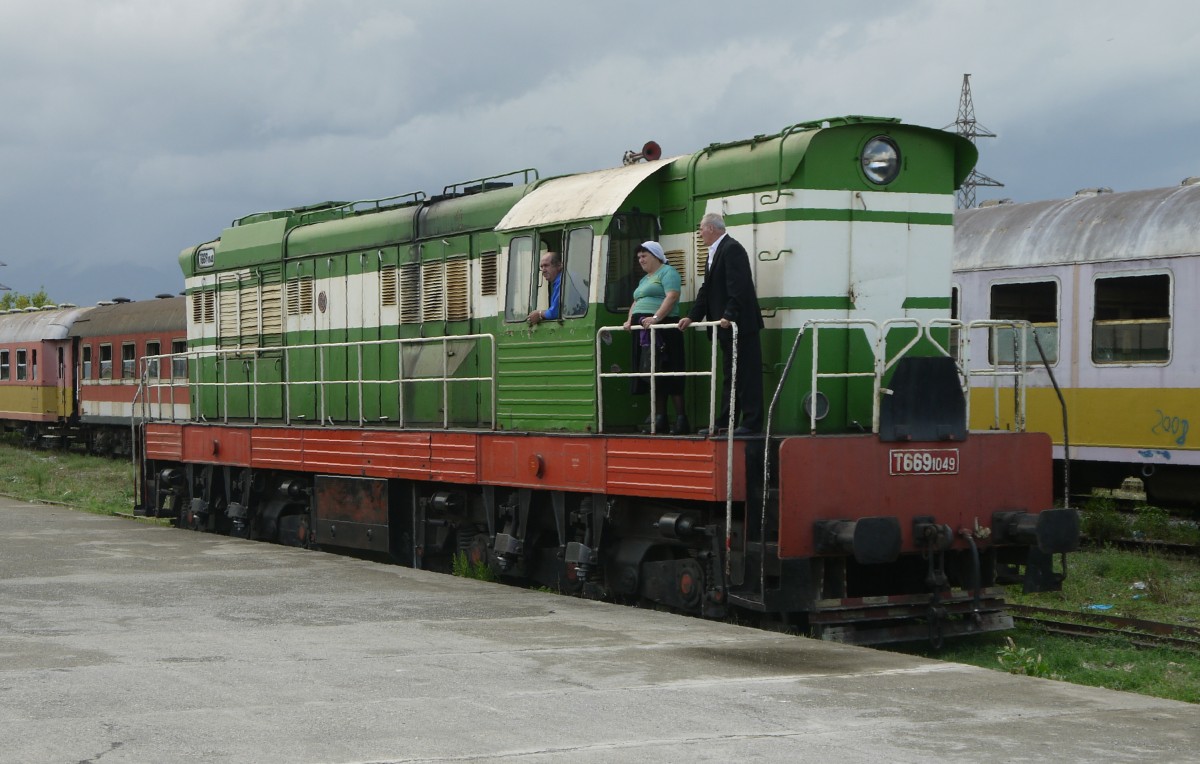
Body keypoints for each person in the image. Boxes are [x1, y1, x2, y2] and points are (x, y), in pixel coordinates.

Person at [678, 212, 764, 435]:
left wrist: (729, 314)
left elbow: (740, 285)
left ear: (711, 229)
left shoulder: (731, 249)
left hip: (740, 326)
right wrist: (692, 316)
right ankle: (726, 422)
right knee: (731, 376)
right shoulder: (714, 252)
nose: (699, 233)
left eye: (701, 229)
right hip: (724, 327)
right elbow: (707, 290)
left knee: (747, 375)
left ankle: (751, 422)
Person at [622, 241, 688, 435]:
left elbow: (672, 296)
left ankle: (681, 419)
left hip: (664, 330)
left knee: (671, 371)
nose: (641, 260)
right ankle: (660, 419)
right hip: (644, 333)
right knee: (654, 375)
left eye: (644, 256)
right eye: (639, 257)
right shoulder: (644, 280)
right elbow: (636, 301)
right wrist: (628, 321)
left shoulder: (668, 272)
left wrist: (657, 318)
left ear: (656, 256)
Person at [527, 251, 563, 325]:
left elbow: (555, 313)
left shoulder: (562, 281)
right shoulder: (560, 281)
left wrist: (539, 314)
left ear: (559, 265)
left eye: (546, 265)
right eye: (541, 267)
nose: (543, 270)